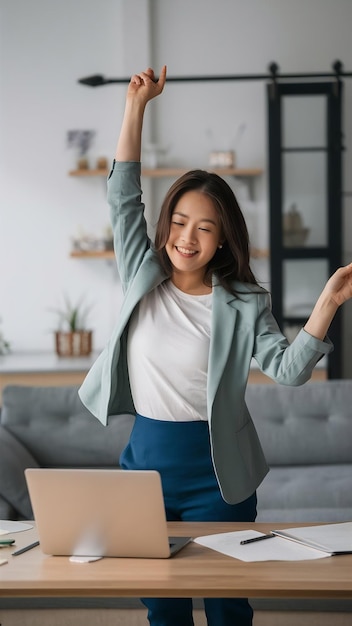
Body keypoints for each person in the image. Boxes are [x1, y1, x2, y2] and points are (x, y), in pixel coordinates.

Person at [79, 66, 352, 626]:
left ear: (223, 235)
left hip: (218, 471)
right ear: (164, 226)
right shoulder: (140, 273)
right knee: (163, 606)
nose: (187, 237)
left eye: (204, 227)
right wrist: (136, 106)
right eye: (179, 221)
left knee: (228, 605)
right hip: (146, 468)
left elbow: (287, 371)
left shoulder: (244, 301)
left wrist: (326, 303)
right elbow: (121, 194)